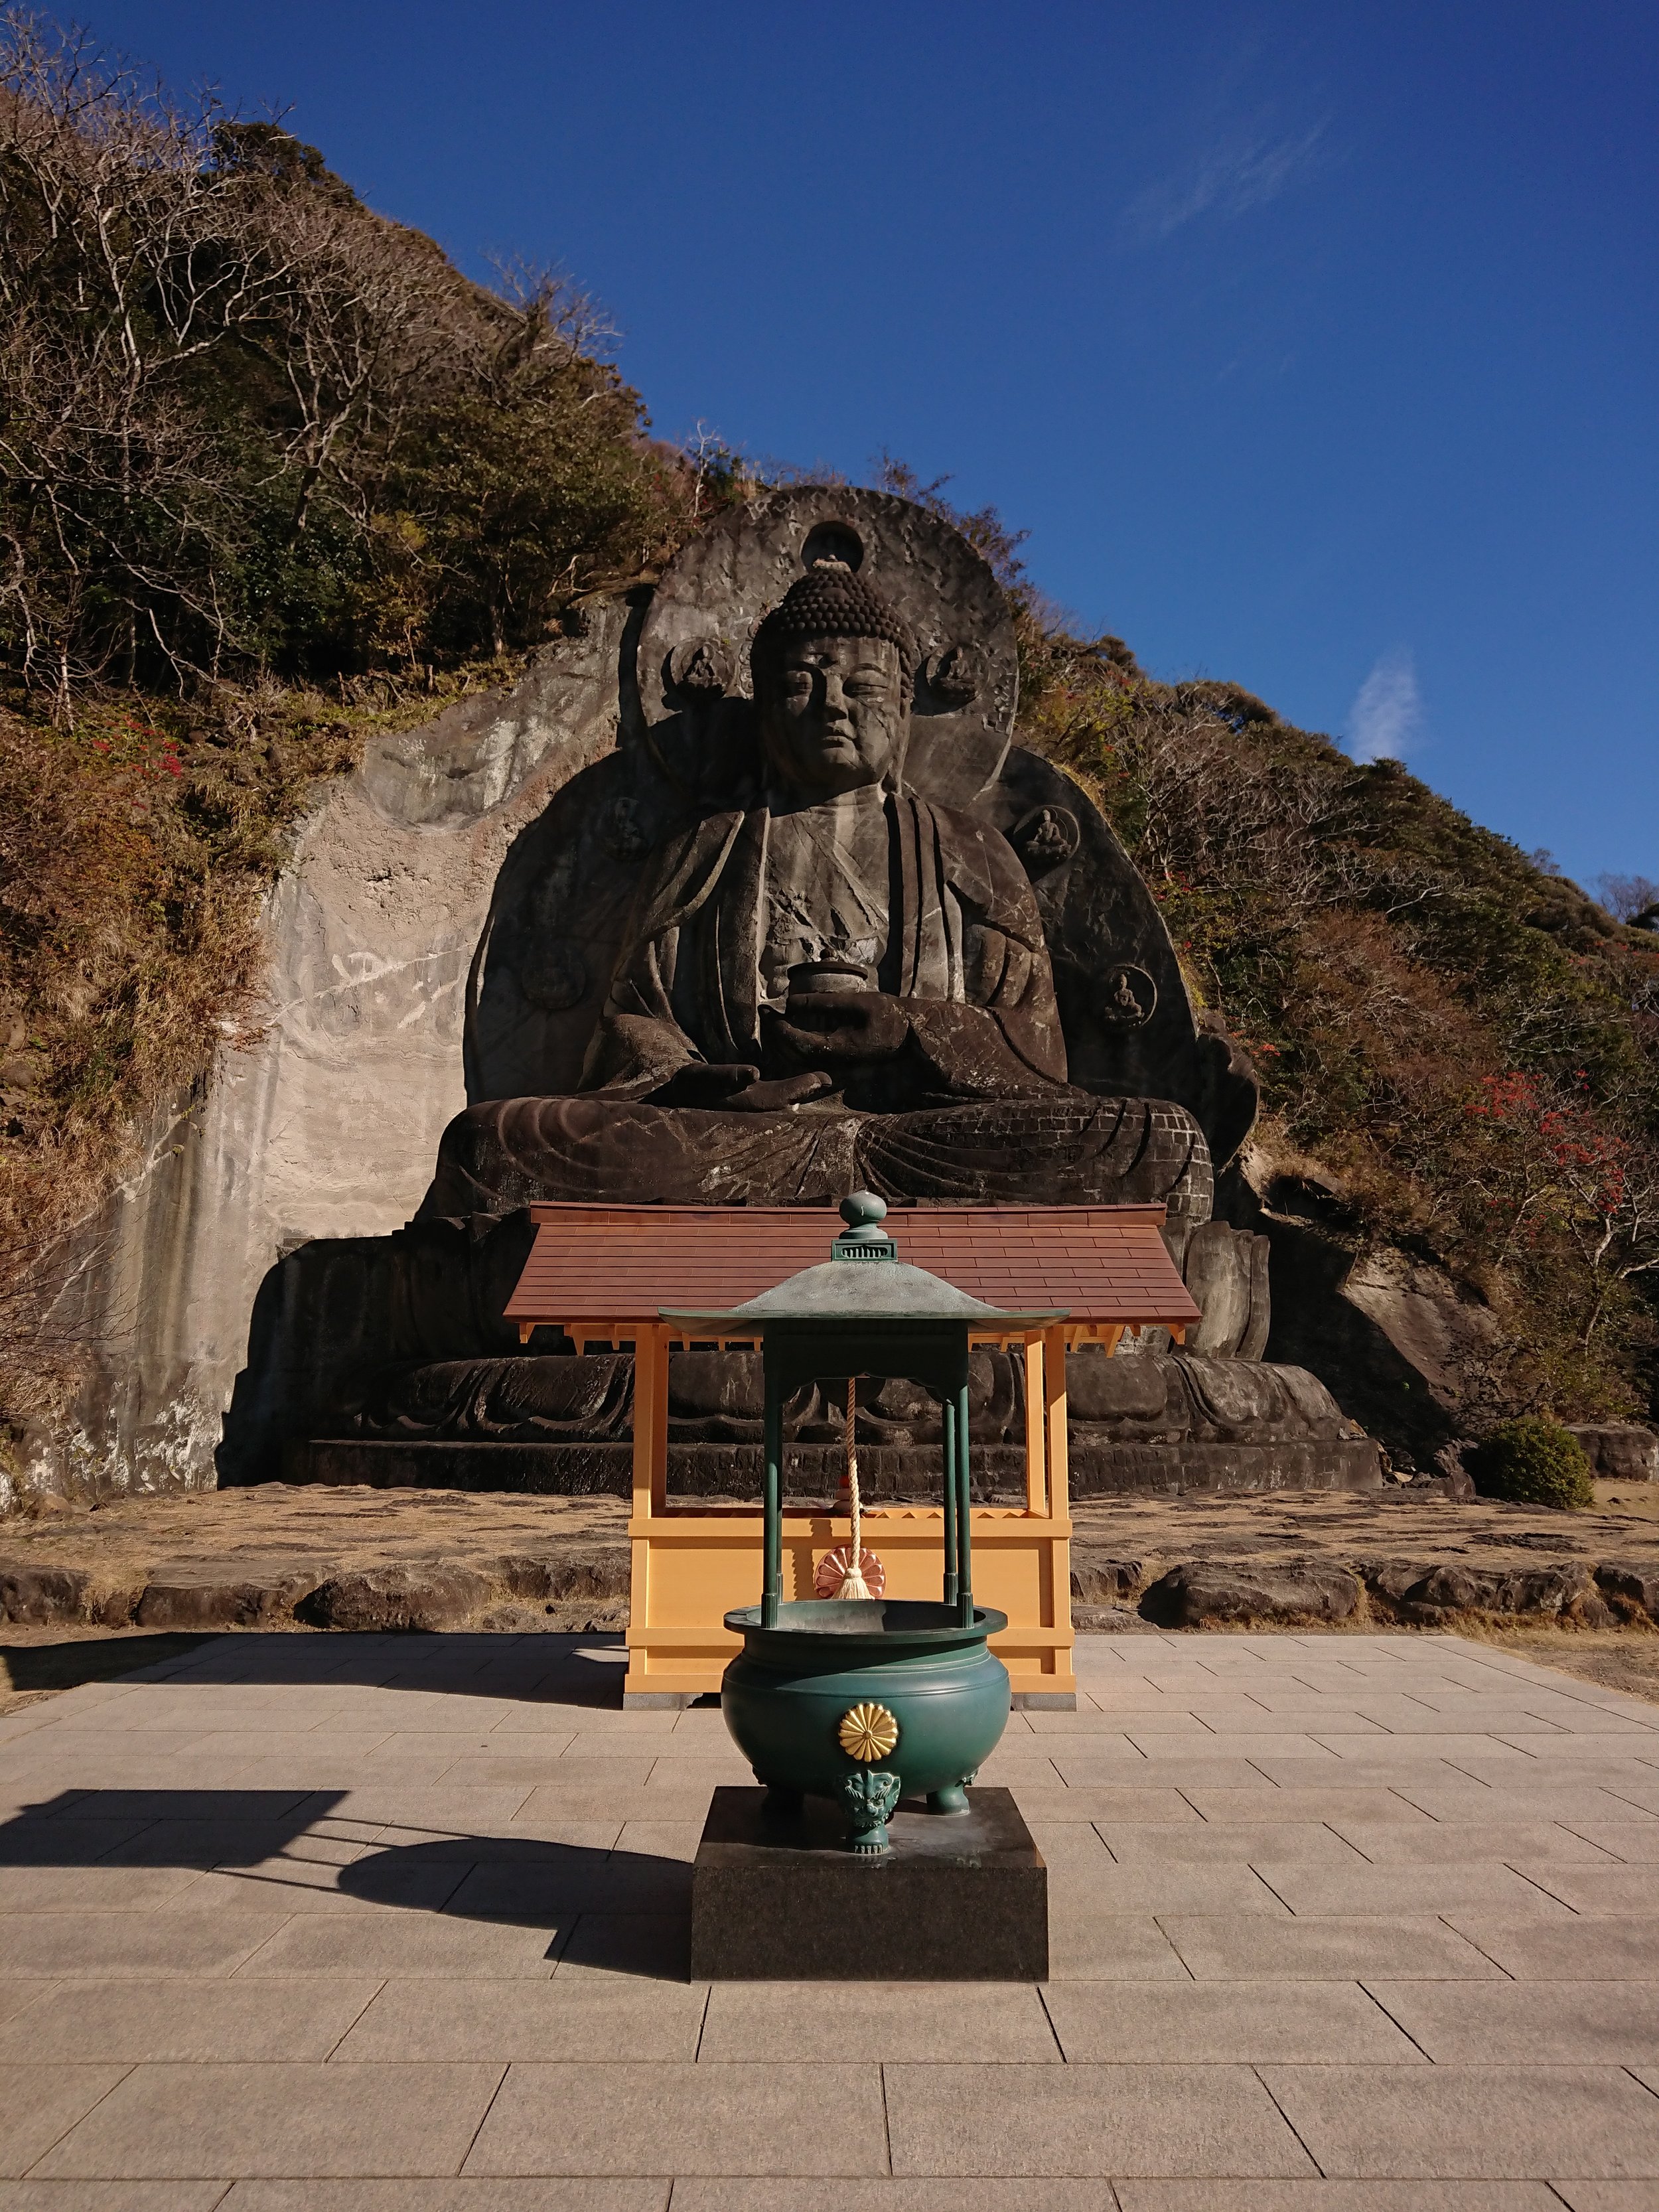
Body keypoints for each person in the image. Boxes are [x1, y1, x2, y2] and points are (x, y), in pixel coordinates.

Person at [419, 559, 1210, 1218]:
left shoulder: (974, 850)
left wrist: (910, 1029)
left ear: (903, 707)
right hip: (739, 1139)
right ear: (764, 707)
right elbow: (635, 1018)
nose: (832, 704)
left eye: (862, 687)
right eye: (800, 683)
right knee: (497, 1142)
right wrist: (698, 1080)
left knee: (1158, 1141)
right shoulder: (707, 843)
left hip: (921, 1139)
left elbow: (1034, 1045)